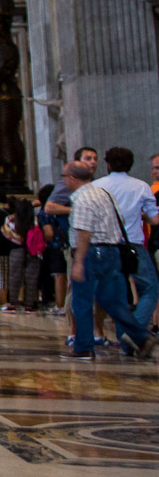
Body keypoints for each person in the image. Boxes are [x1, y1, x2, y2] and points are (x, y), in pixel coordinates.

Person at [66, 160, 157, 360]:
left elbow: (84, 232)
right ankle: (142, 338)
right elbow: (121, 221)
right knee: (113, 303)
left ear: (72, 178)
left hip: (91, 253)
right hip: (112, 253)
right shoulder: (104, 194)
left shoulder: (82, 198)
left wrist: (79, 261)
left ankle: (83, 347)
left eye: (65, 177)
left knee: (82, 301)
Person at [95, 146, 159, 335]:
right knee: (150, 288)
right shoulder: (141, 186)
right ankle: (134, 333)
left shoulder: (96, 186)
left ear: (107, 164)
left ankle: (128, 338)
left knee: (116, 293)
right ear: (131, 164)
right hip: (133, 245)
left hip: (105, 245)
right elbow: (155, 219)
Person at [0, 199, 39, 313]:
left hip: (15, 249)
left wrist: (17, 239)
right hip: (32, 250)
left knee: (14, 277)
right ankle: (29, 304)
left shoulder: (10, 219)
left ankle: (13, 303)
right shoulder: (34, 220)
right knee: (31, 277)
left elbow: (6, 232)